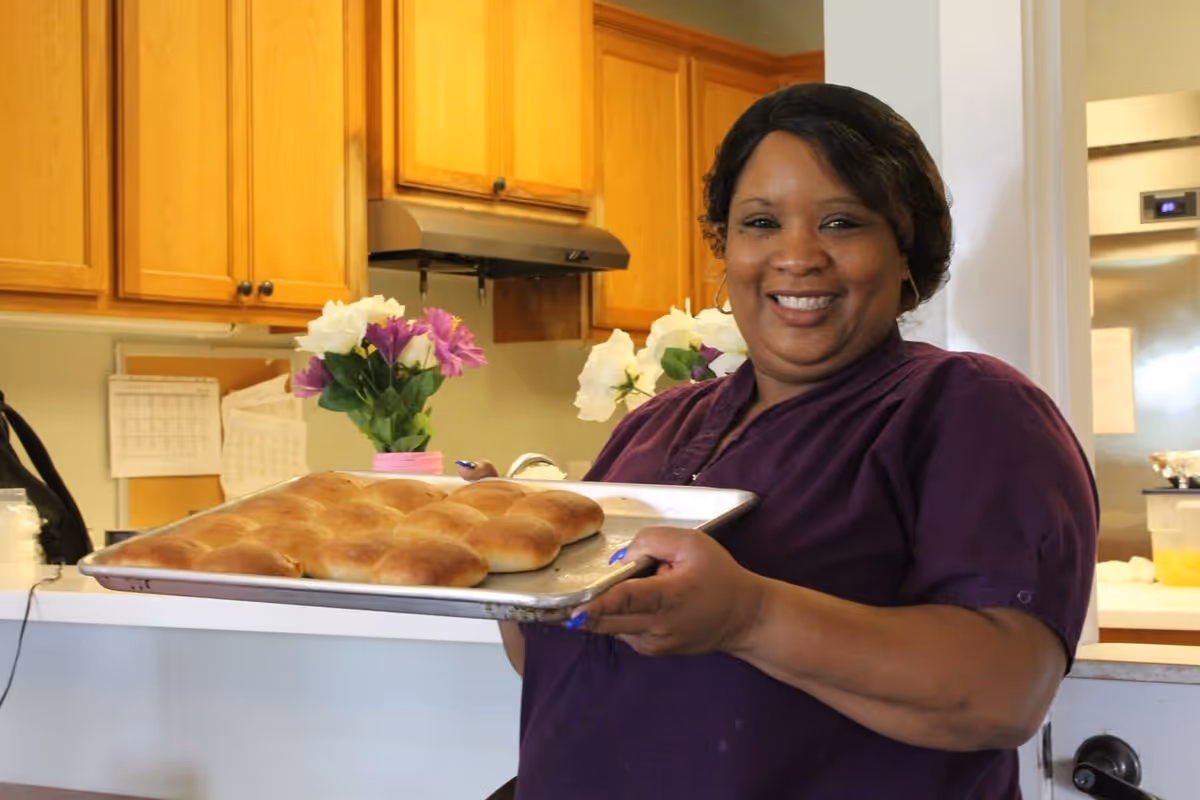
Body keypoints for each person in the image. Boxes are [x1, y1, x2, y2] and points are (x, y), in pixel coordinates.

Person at [460, 82, 1097, 799]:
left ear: (905, 250)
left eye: (842, 223)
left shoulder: (968, 410)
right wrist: (510, 567)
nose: (797, 257)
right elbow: (573, 662)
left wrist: (748, 614)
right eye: (761, 222)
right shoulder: (654, 425)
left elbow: (1002, 693)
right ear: (724, 245)